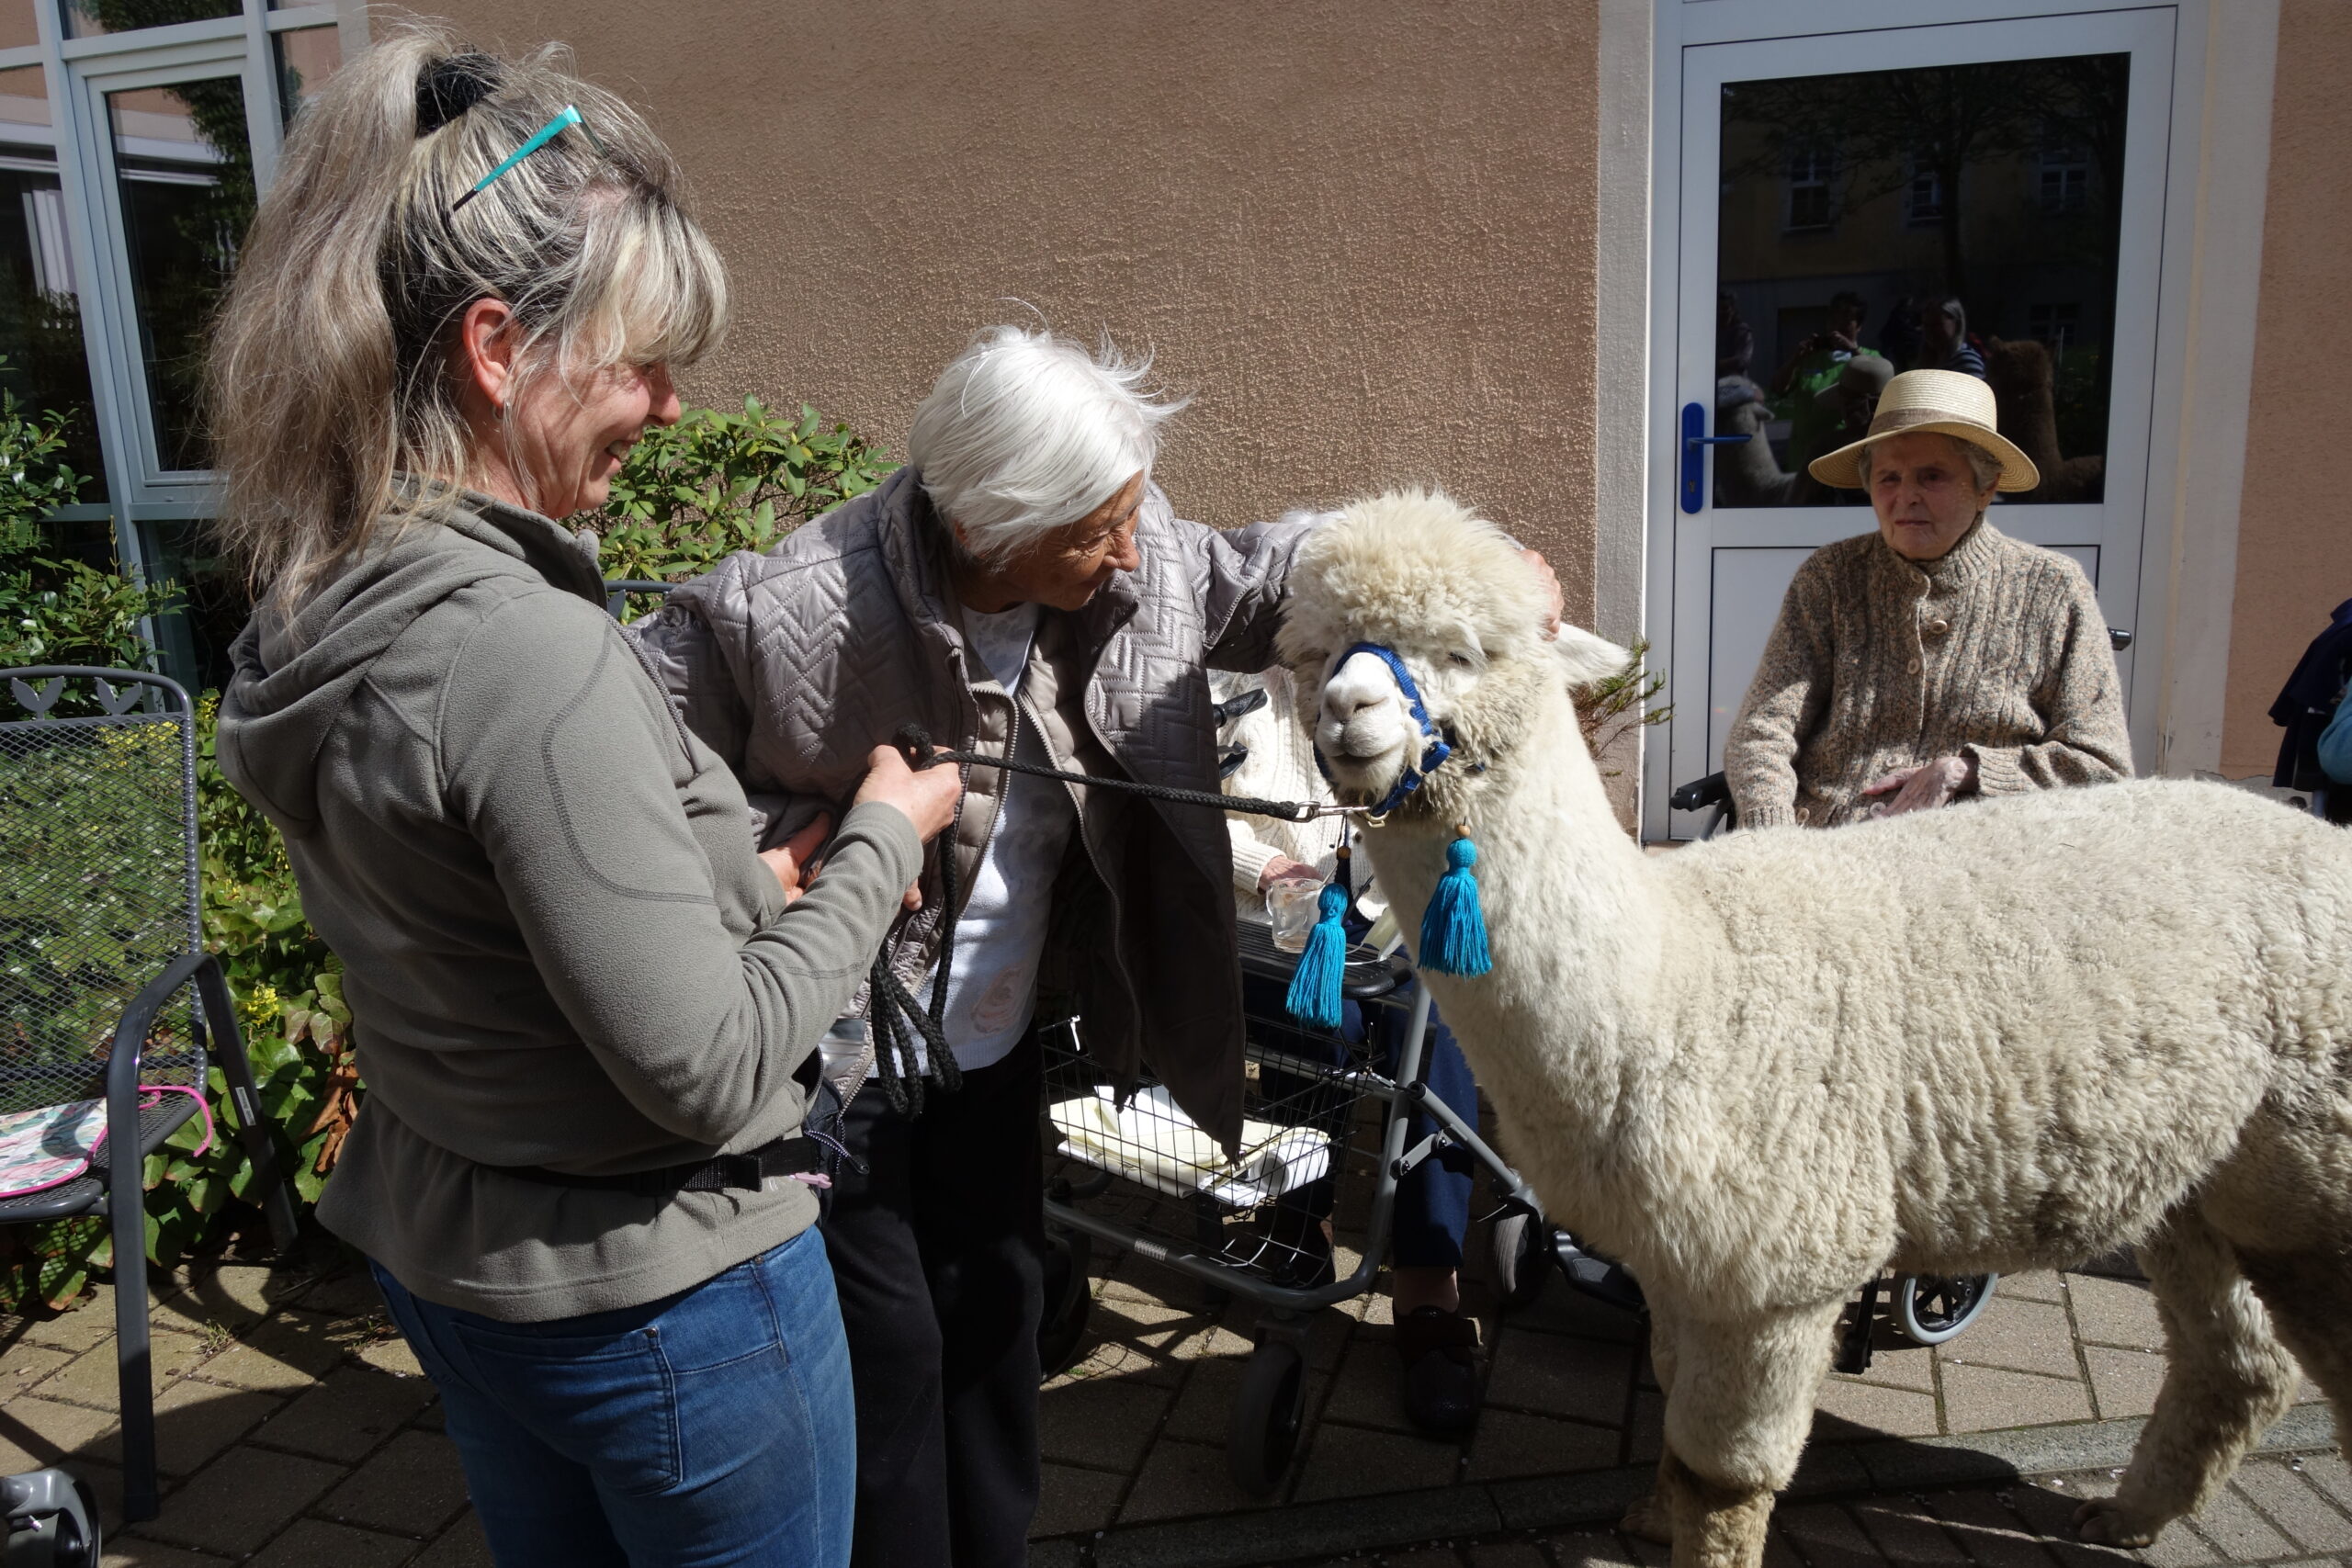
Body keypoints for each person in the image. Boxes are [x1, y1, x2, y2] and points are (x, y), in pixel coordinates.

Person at [205, 28, 960, 1566]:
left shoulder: (324, 598)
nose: (671, 410)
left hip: (469, 1272)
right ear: (497, 350)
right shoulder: (525, 656)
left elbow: (492, 927)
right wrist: (886, 839)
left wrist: (748, 891)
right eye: (638, 365)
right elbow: (708, 1068)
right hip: (670, 1307)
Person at [629, 328, 1293, 1567]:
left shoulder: (1130, 574)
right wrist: (788, 854)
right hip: (831, 1062)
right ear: (993, 525)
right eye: (1097, 529)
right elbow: (617, 775)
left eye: (1132, 516)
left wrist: (1457, 568)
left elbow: (1268, 573)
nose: (1130, 551)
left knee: (999, 1306)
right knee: (893, 1352)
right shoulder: (786, 609)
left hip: (985, 1040)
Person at [1214, 666, 1487, 1437]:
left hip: (1395, 920)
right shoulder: (1248, 697)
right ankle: (1303, 1228)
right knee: (1321, 1022)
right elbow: (1194, 811)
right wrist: (1265, 866)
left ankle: (1430, 1283)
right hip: (1276, 930)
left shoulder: (1418, 695)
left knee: (1431, 1030)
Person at [1723, 368, 2131, 829]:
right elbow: (1763, 730)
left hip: (1978, 856)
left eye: (1931, 476)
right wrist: (1771, 832)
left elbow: (2101, 764)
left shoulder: (2054, 588)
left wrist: (1969, 770)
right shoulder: (1830, 578)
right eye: (1888, 478)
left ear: (1986, 487)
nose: (1905, 497)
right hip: (1829, 848)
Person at [1769, 291, 1885, 478]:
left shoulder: (1868, 358)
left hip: (1843, 454)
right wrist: (1796, 359)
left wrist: (1852, 350)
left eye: (1846, 321)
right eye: (1833, 319)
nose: (1838, 326)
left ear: (1859, 326)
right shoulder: (1811, 358)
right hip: (1802, 455)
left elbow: (1878, 378)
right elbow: (1778, 389)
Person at [1916, 294, 1986, 378]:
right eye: (1926, 325)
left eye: (1937, 325)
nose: (1929, 331)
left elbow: (1976, 390)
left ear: (1957, 323)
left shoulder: (1967, 361)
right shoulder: (1931, 359)